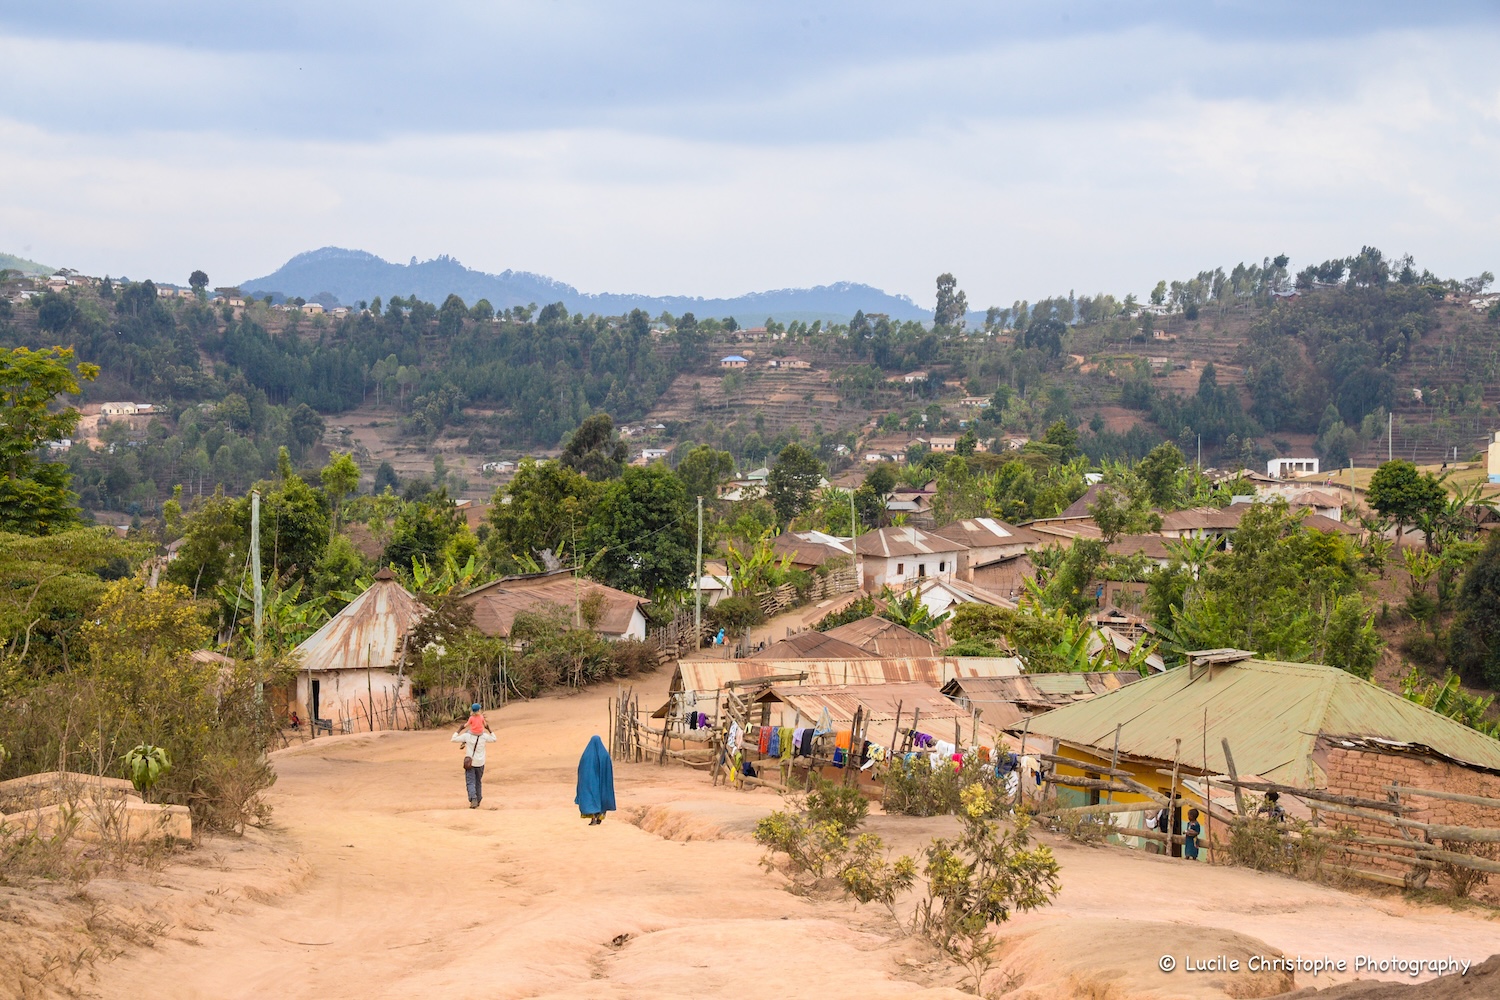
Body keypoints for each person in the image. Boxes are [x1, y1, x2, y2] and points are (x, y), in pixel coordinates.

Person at [452, 704, 496, 809]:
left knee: (470, 781)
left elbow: (453, 739)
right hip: (481, 762)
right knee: (478, 781)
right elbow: (494, 739)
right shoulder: (484, 736)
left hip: (470, 762)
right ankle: (479, 798)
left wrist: (459, 729)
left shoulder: (467, 734)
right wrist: (489, 729)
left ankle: (473, 799)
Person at [574, 734, 615, 826]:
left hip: (589, 782)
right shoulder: (604, 755)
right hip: (602, 782)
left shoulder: (586, 756)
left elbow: (581, 770)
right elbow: (608, 771)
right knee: (602, 797)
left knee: (591, 799)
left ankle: (593, 819)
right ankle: (599, 817)